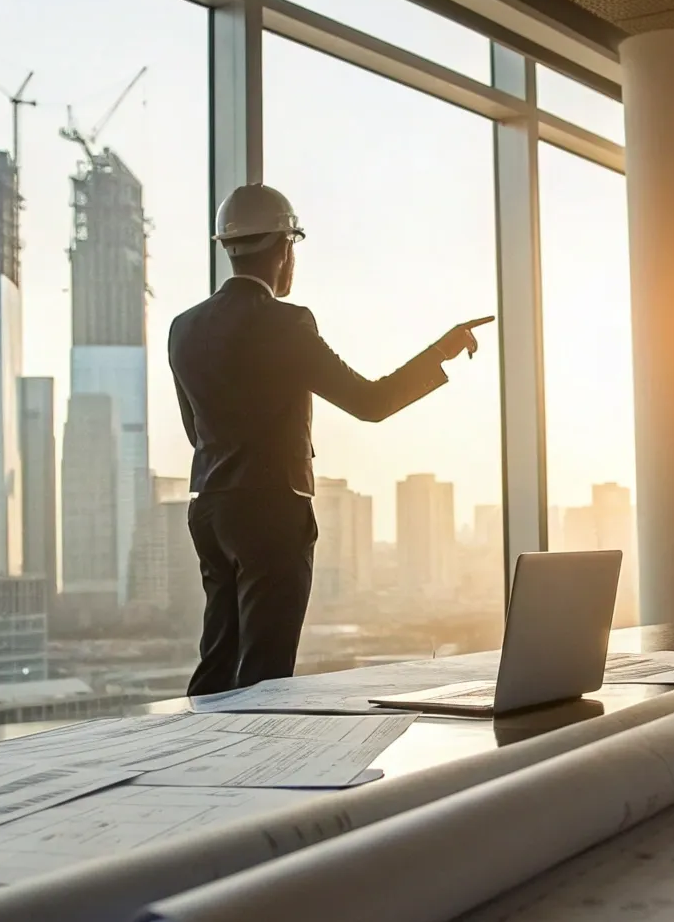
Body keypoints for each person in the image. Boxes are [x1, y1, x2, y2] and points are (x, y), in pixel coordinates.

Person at [170, 184, 495, 696]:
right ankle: (261, 750)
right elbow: (371, 402)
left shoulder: (183, 327)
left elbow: (196, 432)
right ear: (284, 248)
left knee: (218, 661)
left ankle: (196, 746)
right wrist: (442, 351)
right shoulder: (287, 323)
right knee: (266, 671)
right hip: (272, 510)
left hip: (209, 509)